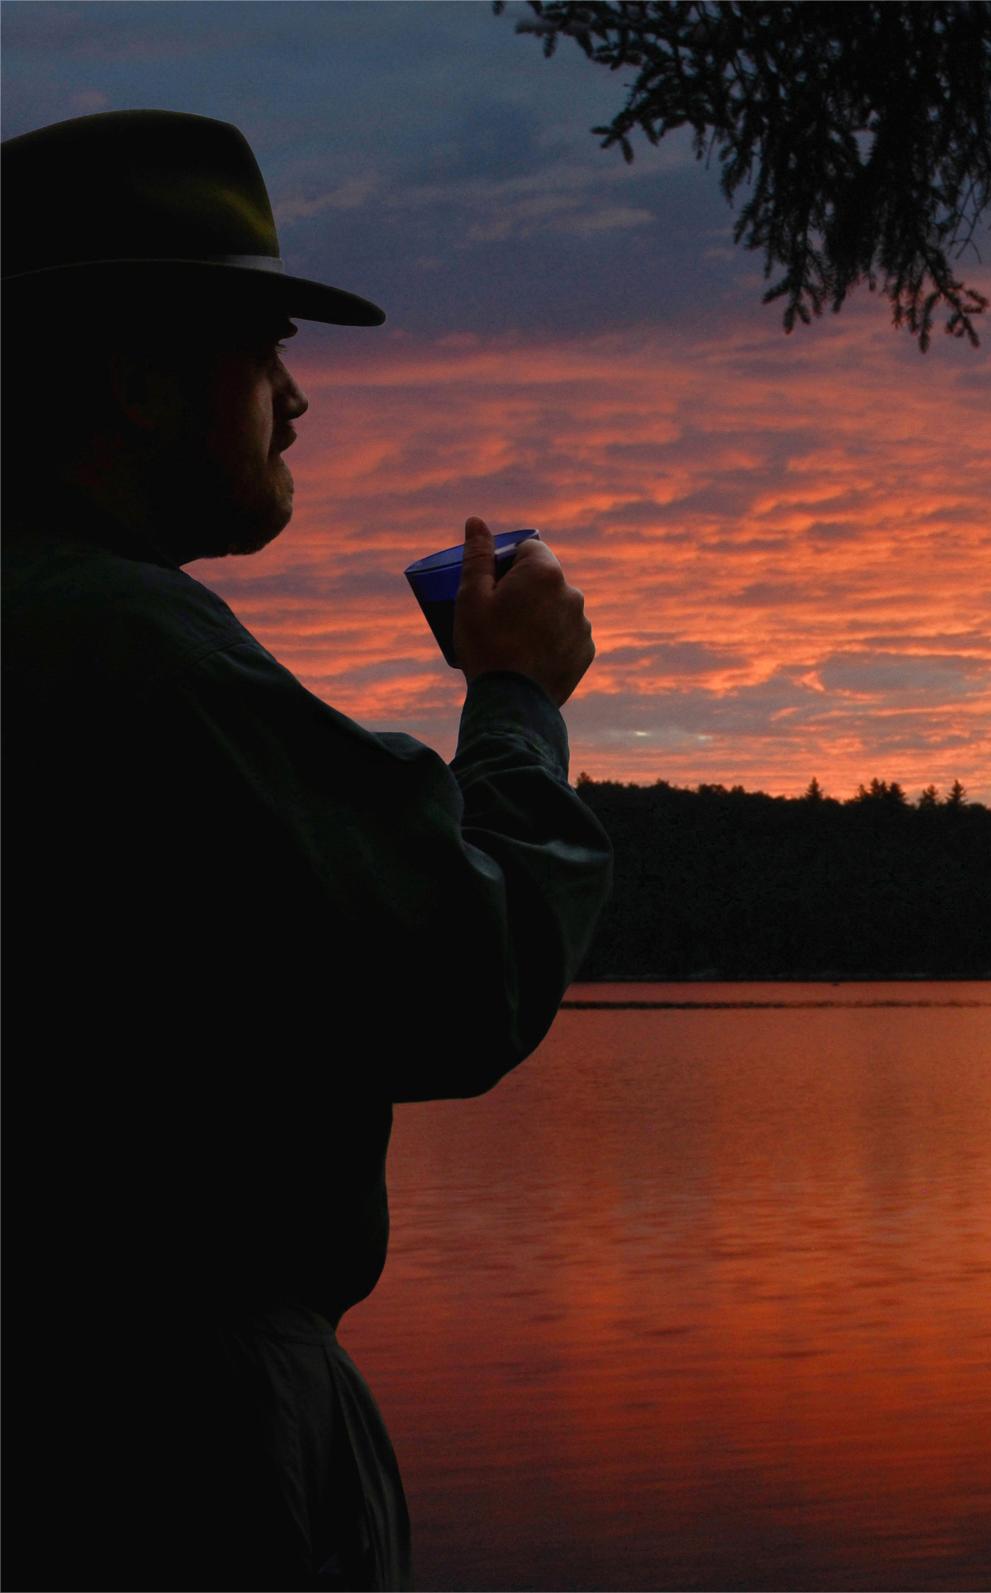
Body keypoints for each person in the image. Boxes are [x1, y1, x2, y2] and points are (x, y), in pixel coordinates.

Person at [0, 110, 613, 1590]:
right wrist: (517, 699)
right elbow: (467, 965)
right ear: (141, 384)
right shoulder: (126, 644)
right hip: (171, 1429)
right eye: (265, 349)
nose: (296, 401)